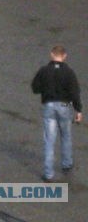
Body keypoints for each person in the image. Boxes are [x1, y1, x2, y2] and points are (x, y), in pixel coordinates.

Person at [31, 46, 82, 182]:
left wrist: (46, 89)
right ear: (64, 56)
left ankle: (48, 174)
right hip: (64, 106)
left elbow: (35, 88)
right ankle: (66, 164)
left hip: (48, 105)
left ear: (51, 54)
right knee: (66, 135)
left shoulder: (44, 71)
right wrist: (78, 110)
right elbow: (75, 93)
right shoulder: (69, 72)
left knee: (49, 139)